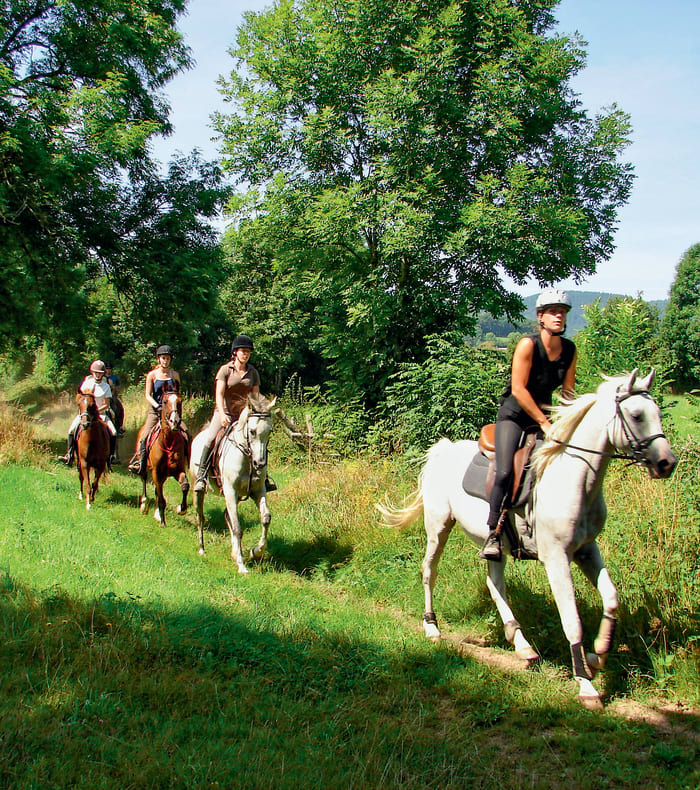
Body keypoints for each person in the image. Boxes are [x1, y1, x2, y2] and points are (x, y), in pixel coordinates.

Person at [479, 288, 577, 561]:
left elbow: (568, 394)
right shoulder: (527, 345)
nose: (559, 316)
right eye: (553, 311)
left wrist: (569, 423)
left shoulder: (569, 350)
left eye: (563, 311)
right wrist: (546, 423)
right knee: (503, 471)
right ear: (541, 317)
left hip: (543, 419)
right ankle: (493, 534)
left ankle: (544, 529)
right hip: (514, 416)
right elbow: (519, 390)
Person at [193, 334, 272, 493]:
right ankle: (201, 476)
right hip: (225, 413)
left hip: (244, 416)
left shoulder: (253, 372)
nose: (245, 354)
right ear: (235, 352)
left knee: (258, 441)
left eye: (248, 352)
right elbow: (219, 394)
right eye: (242, 351)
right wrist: (222, 414)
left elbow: (255, 397)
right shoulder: (225, 370)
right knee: (210, 439)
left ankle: (265, 478)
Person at [128, 345, 187, 475]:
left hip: (171, 412)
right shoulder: (152, 375)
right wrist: (157, 405)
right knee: (144, 437)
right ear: (158, 359)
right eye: (163, 358)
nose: (166, 361)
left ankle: (186, 463)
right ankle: (140, 463)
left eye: (168, 358)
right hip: (155, 411)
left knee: (186, 433)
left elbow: (177, 394)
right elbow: (147, 395)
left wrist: (175, 408)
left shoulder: (175, 375)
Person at [59, 360, 117, 465]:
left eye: (99, 373)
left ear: (103, 373)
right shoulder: (86, 383)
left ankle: (111, 456)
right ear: (92, 372)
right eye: (95, 372)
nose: (97, 374)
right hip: (85, 414)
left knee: (113, 432)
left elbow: (107, 404)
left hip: (101, 414)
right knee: (71, 430)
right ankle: (69, 454)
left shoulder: (106, 386)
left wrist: (96, 411)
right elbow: (80, 398)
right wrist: (85, 410)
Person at [105, 361, 125, 437]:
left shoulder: (114, 378)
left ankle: (119, 427)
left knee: (120, 408)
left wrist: (115, 395)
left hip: (112, 396)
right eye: (107, 369)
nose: (108, 370)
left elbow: (117, 388)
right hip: (104, 396)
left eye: (109, 369)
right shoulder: (102, 378)